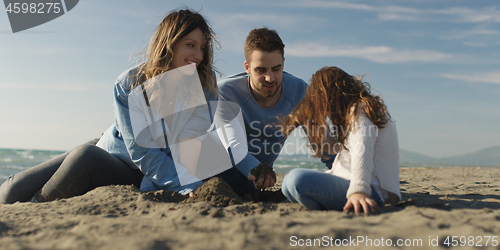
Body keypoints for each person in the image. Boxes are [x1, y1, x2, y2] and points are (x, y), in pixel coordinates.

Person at [0, 9, 219, 204]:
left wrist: (186, 184)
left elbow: (177, 149)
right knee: (10, 191)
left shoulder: (205, 86)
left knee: (86, 157)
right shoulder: (129, 83)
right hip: (112, 144)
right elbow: (137, 145)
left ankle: (38, 204)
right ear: (169, 44)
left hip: (137, 167)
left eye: (202, 48)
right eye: (190, 45)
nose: (198, 56)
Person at [279, 66, 401, 213]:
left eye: (324, 104)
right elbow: (342, 167)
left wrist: (359, 190)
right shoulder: (353, 114)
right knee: (287, 184)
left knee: (295, 178)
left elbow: (362, 151)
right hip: (356, 185)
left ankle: (334, 206)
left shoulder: (360, 110)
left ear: (332, 97)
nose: (327, 113)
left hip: (371, 192)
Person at [213, 27, 309, 196]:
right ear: (247, 67)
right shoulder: (226, 91)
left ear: (283, 63)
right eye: (261, 70)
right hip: (218, 170)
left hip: (256, 179)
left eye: (276, 69)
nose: (270, 78)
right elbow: (234, 146)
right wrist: (258, 170)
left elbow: (323, 142)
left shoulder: (300, 92)